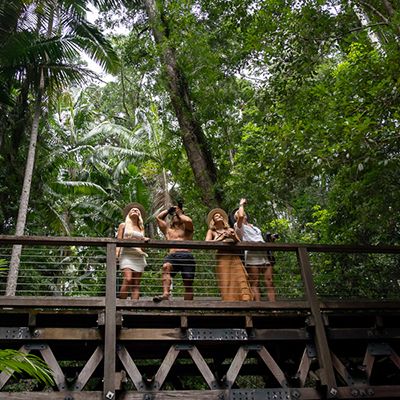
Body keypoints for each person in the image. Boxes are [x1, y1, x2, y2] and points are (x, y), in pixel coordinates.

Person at [205, 208, 253, 301]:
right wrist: (221, 237)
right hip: (222, 258)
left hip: (234, 257)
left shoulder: (230, 229)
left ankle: (245, 303)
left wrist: (233, 237)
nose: (219, 216)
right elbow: (207, 243)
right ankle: (229, 304)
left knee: (240, 278)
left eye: (220, 215)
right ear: (213, 220)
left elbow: (239, 241)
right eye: (216, 216)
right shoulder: (211, 231)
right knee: (226, 280)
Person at [233, 198, 276, 301]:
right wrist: (241, 204)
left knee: (269, 281)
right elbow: (241, 216)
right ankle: (258, 306)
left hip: (263, 255)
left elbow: (260, 240)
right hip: (252, 256)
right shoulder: (238, 226)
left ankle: (274, 307)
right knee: (255, 282)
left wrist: (271, 240)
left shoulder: (255, 228)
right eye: (238, 213)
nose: (242, 214)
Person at [153, 203, 195, 302]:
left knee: (188, 283)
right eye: (175, 215)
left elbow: (188, 220)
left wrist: (179, 213)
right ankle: (166, 293)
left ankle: (187, 308)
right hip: (173, 255)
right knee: (165, 266)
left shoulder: (188, 229)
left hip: (187, 255)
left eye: (178, 215)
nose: (176, 216)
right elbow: (158, 218)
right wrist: (169, 210)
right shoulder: (168, 230)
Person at [116, 203, 149, 300]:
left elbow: (142, 246)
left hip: (138, 255)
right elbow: (118, 241)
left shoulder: (141, 228)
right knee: (128, 279)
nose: (135, 211)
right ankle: (122, 305)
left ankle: (134, 309)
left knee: (136, 284)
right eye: (133, 210)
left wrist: (145, 242)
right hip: (126, 254)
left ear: (140, 215)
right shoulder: (123, 225)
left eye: (137, 210)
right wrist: (116, 255)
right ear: (128, 213)